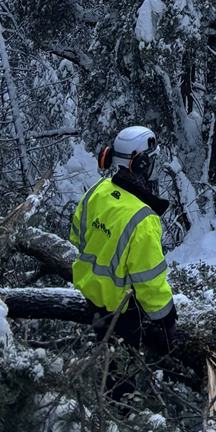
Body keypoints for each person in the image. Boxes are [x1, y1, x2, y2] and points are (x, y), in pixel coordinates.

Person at [69, 125, 180, 355]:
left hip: (89, 298)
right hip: (122, 313)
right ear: (141, 164)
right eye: (151, 160)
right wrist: (168, 322)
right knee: (120, 381)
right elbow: (149, 282)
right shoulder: (143, 219)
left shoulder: (96, 191)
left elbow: (76, 238)